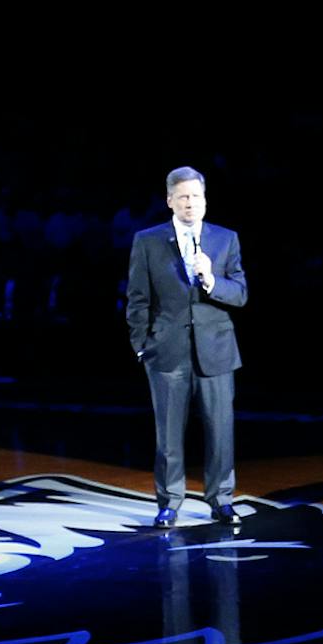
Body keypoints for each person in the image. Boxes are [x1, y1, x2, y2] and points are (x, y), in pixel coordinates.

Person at [125, 167, 248, 527]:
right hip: (166, 352)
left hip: (217, 350)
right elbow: (137, 299)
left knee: (220, 430)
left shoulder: (226, 239)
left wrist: (212, 280)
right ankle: (169, 503)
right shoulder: (147, 241)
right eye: (183, 197)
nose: (190, 203)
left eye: (196, 196)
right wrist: (142, 345)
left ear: (205, 200)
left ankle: (222, 500)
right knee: (169, 434)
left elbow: (240, 293)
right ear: (170, 201)